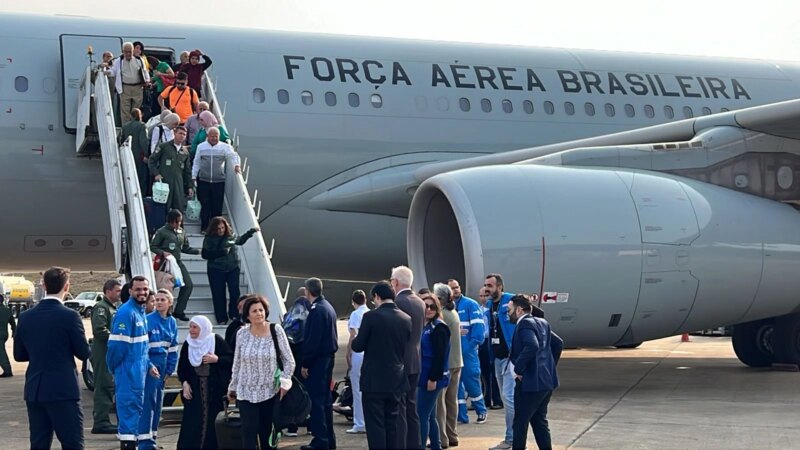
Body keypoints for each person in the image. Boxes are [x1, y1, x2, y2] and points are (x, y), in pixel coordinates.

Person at [13, 267, 91, 450]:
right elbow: (83, 352)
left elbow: (19, 355)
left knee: (39, 444)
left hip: (35, 388)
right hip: (63, 390)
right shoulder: (70, 316)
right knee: (72, 443)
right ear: (67, 286)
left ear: (44, 285)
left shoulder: (25, 317)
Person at [228, 295, 295, 449]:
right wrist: (232, 387)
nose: (259, 313)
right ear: (247, 315)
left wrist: (284, 383)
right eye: (254, 311)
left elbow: (289, 361)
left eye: (261, 310)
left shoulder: (276, 330)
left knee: (267, 435)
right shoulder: (241, 333)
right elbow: (237, 363)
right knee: (248, 433)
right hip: (246, 392)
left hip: (270, 392)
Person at [352, 281, 412, 450]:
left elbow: (358, 346)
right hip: (397, 378)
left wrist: (356, 336)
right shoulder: (406, 318)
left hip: (374, 379)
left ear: (377, 297)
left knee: (376, 425)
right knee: (392, 423)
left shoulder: (370, 317)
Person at [508, 295, 563, 450]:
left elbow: (532, 346)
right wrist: (549, 367)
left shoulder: (524, 324)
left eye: (509, 310)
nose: (508, 313)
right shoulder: (542, 322)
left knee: (520, 422)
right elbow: (558, 344)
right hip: (546, 382)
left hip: (530, 384)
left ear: (518, 310)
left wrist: (519, 368)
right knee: (539, 421)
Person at [107, 275, 151, 450]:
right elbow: (116, 348)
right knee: (128, 418)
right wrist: (116, 369)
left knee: (134, 418)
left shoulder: (140, 312)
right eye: (138, 289)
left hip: (137, 374)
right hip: (127, 374)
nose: (142, 292)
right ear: (130, 291)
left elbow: (142, 348)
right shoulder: (126, 313)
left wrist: (149, 365)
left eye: (145, 289)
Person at [177, 316, 233, 449]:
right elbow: (182, 367)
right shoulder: (188, 344)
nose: (191, 330)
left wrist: (217, 359)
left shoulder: (215, 340)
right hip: (195, 391)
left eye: (195, 327)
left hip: (213, 390)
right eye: (190, 327)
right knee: (193, 422)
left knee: (212, 422)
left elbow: (230, 359)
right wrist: (185, 383)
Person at [300, 277, 338, 450]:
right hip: (328, 359)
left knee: (317, 402)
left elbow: (312, 341)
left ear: (308, 291)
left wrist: (306, 363)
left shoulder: (316, 310)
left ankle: (320, 440)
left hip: (318, 361)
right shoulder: (327, 307)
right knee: (325, 401)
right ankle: (329, 439)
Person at [390, 265, 425, 450]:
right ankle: (415, 444)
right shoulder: (419, 301)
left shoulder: (398, 302)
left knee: (400, 408)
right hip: (415, 359)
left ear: (395, 282)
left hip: (401, 361)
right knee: (411, 407)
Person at [138, 288, 179, 450]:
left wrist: (169, 370)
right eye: (157, 300)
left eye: (163, 299)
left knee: (157, 404)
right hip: (150, 366)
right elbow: (142, 348)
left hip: (162, 367)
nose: (159, 302)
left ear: (170, 303)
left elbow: (173, 348)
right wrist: (149, 365)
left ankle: (152, 437)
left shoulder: (172, 322)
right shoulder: (148, 320)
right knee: (148, 402)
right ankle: (144, 442)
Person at [201, 216, 258, 324]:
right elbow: (205, 254)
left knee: (235, 291)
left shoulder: (230, 236)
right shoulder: (209, 239)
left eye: (222, 228)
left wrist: (251, 232)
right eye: (218, 229)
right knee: (218, 294)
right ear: (214, 229)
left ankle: (234, 314)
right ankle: (221, 318)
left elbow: (240, 241)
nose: (221, 230)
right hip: (216, 269)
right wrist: (221, 252)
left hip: (232, 268)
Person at [447, 278, 488, 424]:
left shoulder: (470, 304)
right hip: (453, 353)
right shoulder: (447, 308)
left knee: (472, 382)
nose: (456, 290)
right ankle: (461, 416)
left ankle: (481, 411)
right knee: (456, 387)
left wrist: (467, 347)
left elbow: (478, 332)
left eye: (457, 287)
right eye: (452, 288)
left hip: (468, 353)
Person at [150, 209, 200, 321]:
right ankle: (167, 311)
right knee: (166, 288)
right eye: (176, 222)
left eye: (180, 222)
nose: (178, 224)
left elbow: (185, 248)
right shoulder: (162, 232)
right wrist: (162, 252)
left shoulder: (181, 232)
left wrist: (198, 252)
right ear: (170, 221)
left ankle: (179, 310)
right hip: (165, 264)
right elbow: (153, 246)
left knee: (188, 285)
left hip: (177, 263)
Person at [486, 273, 517, 450]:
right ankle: (514, 436)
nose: (487, 288)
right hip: (497, 357)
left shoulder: (512, 301)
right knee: (507, 399)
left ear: (499, 286)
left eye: (490, 285)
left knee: (508, 397)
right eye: (486, 285)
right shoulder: (489, 305)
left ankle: (511, 439)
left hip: (510, 357)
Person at [418, 285, 451, 450]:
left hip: (431, 377)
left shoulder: (439, 328)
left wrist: (433, 378)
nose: (428, 309)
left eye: (432, 306)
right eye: (425, 306)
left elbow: (440, 356)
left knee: (421, 415)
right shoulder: (425, 326)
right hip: (423, 375)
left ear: (437, 308)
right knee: (430, 415)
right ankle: (436, 445)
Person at [431, 285, 462, 449]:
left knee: (439, 403)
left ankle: (442, 439)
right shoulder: (453, 313)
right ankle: (452, 435)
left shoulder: (443, 315)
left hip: (447, 363)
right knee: (452, 401)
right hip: (457, 362)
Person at [193, 127, 242, 230]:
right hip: (203, 180)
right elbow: (196, 162)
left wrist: (236, 165)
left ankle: (215, 229)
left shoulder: (224, 147)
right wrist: (194, 176)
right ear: (208, 136)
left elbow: (234, 156)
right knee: (205, 205)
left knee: (217, 206)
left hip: (218, 181)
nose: (215, 138)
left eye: (216, 136)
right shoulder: (201, 147)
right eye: (212, 136)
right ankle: (205, 227)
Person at [91, 279, 122, 434]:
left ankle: (102, 418)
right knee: (104, 386)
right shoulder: (101, 308)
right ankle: (100, 422)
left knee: (108, 385)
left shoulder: (113, 308)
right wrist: (117, 339)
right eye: (117, 290)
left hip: (109, 352)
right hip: (102, 352)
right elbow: (99, 330)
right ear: (108, 291)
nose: (119, 293)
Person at [283, 289, 311, 437]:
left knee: (294, 394)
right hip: (307, 360)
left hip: (292, 361)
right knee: (309, 393)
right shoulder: (310, 317)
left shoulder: (289, 317)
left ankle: (292, 426)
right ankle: (310, 425)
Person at [149, 125, 194, 214]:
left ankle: (178, 227)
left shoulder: (185, 152)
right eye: (180, 133)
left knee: (178, 210)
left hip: (178, 184)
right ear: (174, 133)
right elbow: (151, 160)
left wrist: (190, 186)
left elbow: (187, 171)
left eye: (184, 134)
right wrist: (156, 173)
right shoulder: (164, 147)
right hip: (164, 182)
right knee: (162, 208)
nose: (182, 136)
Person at [107, 41, 150, 123]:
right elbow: (113, 71)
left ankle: (133, 126)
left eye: (130, 51)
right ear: (123, 51)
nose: (128, 54)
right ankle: (125, 128)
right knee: (125, 110)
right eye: (126, 52)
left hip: (137, 88)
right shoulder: (119, 61)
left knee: (136, 110)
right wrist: (107, 72)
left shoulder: (139, 60)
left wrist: (147, 80)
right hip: (125, 88)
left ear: (133, 51)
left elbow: (145, 71)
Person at [345, 289, 369, 434]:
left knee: (357, 389)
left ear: (353, 302)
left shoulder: (355, 314)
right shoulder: (370, 312)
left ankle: (359, 423)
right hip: (370, 353)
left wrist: (348, 353)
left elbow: (353, 335)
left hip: (358, 353)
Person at [478, 287, 502, 410]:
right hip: (482, 342)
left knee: (494, 372)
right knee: (483, 372)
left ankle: (497, 400)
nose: (483, 298)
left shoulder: (494, 310)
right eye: (481, 296)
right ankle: (486, 400)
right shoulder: (479, 310)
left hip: (491, 341)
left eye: (486, 296)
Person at [119, 108, 151, 196]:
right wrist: (146, 155)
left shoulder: (125, 126)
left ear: (131, 116)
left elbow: (121, 139)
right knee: (141, 176)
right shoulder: (142, 126)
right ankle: (141, 195)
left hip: (128, 152)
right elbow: (143, 142)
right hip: (139, 155)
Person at [0, 294, 16, 378]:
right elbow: (13, 324)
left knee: (1, 353)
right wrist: (14, 333)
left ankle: (7, 370)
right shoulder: (7, 310)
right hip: (4, 334)